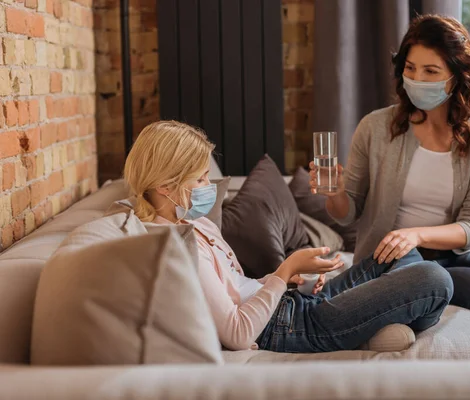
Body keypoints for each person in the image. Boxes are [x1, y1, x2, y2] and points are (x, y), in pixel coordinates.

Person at [309, 14, 470, 362]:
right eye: (411, 68)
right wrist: (334, 193)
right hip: (388, 258)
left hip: (446, 252)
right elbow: (348, 211)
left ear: (456, 77)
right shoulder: (376, 127)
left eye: (431, 71)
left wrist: (416, 234)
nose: (416, 79)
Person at [122, 120, 453, 353]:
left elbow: (239, 287)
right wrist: (283, 272)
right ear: (164, 186)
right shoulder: (177, 248)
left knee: (400, 251)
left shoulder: (199, 224)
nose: (209, 189)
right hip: (288, 327)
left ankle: (370, 324)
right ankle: (368, 328)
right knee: (434, 278)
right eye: (200, 180)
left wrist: (295, 279)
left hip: (291, 303)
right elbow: (237, 333)